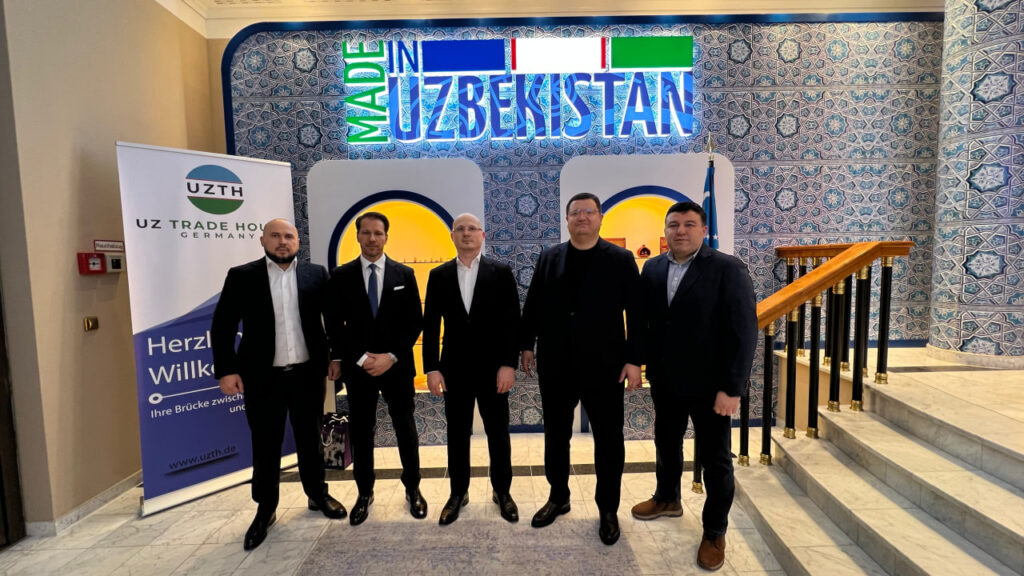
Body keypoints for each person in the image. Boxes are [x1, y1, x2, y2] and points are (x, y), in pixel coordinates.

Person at [630, 201, 757, 571]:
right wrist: (638, 361)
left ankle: (714, 531)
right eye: (673, 225)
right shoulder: (653, 267)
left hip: (711, 386)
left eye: (688, 224)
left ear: (703, 230)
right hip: (666, 380)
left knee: (715, 460)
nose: (680, 231)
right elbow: (645, 322)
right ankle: (667, 498)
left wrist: (732, 388)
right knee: (666, 443)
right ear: (666, 230)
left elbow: (743, 332)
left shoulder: (727, 268)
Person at [211, 218, 346, 552]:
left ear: (298, 241)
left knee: (310, 440)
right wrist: (226, 371)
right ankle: (265, 508)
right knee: (265, 444)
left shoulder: (316, 274)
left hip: (307, 374)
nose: (282, 241)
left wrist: (337, 357)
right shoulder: (242, 276)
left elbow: (332, 320)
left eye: (289, 236)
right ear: (263, 241)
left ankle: (317, 495)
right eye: (275, 236)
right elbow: (223, 325)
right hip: (262, 377)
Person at [520, 192, 644, 546]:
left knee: (608, 440)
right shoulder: (549, 257)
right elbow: (534, 304)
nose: (582, 217)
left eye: (589, 211)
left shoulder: (620, 259)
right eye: (576, 212)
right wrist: (526, 344)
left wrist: (634, 359)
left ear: (600, 217)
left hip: (605, 366)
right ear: (567, 219)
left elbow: (637, 314)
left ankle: (607, 509)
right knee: (556, 435)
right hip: (556, 364)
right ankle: (558, 497)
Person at [324, 211, 426, 526]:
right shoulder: (341, 276)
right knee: (362, 431)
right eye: (366, 232)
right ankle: (364, 492)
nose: (372, 238)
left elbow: (414, 322)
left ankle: (413, 488)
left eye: (378, 233)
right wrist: (359, 358)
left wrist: (390, 356)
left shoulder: (404, 274)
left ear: (386, 236)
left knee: (405, 429)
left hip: (397, 367)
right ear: (358, 236)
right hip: (360, 369)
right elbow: (334, 325)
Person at [422, 213, 521, 525]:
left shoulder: (501, 272)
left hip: (494, 370)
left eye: (472, 229)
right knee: (457, 433)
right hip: (454, 370)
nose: (466, 233)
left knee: (498, 433)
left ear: (482, 235)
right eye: (460, 229)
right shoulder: (438, 275)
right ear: (452, 236)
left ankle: (502, 491)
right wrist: (431, 368)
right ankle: (458, 493)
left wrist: (509, 364)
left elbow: (512, 322)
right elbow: (430, 325)